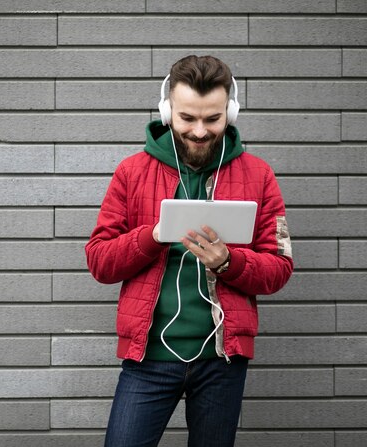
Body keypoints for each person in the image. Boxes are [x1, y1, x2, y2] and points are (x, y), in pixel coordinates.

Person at [85, 55, 294, 447]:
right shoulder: (131, 172)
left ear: (230, 113)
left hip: (222, 360)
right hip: (147, 358)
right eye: (187, 119)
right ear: (167, 112)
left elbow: (279, 267)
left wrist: (230, 262)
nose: (199, 131)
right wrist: (153, 235)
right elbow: (99, 260)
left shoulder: (259, 175)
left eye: (212, 119)